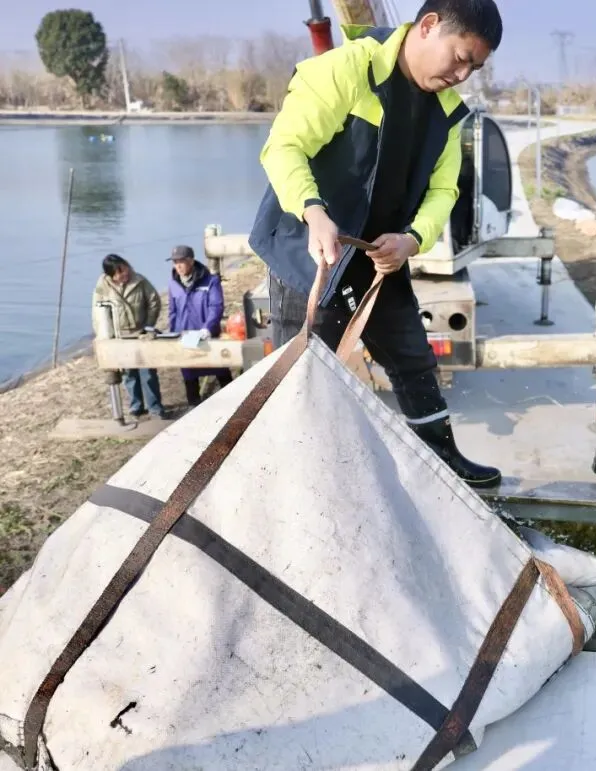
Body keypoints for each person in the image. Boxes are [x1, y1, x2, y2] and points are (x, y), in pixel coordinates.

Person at [247, 0, 503, 489]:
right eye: (460, 57)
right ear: (428, 26)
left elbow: (444, 190)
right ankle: (296, 479)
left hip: (381, 255)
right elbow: (283, 147)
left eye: (474, 67)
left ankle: (442, 458)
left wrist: (412, 239)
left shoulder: (447, 112)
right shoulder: (345, 69)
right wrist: (313, 211)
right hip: (311, 250)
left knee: (413, 357)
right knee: (306, 375)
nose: (462, 75)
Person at [91, 253, 166, 419]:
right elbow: (98, 313)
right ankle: (136, 407)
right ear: (111, 275)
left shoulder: (140, 281)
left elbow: (154, 302)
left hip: (140, 334)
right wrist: (103, 336)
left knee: (148, 373)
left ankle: (155, 408)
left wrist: (148, 325)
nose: (124, 274)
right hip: (119, 336)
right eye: (119, 273)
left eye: (125, 269)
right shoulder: (102, 287)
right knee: (129, 374)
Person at [167, 244, 233, 407]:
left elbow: (215, 306)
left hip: (208, 336)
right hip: (185, 338)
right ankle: (194, 408)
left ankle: (236, 404)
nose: (178, 266)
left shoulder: (210, 281)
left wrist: (207, 328)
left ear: (191, 261)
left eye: (181, 261)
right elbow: (173, 311)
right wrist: (173, 333)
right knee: (190, 375)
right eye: (175, 262)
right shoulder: (173, 284)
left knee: (221, 370)